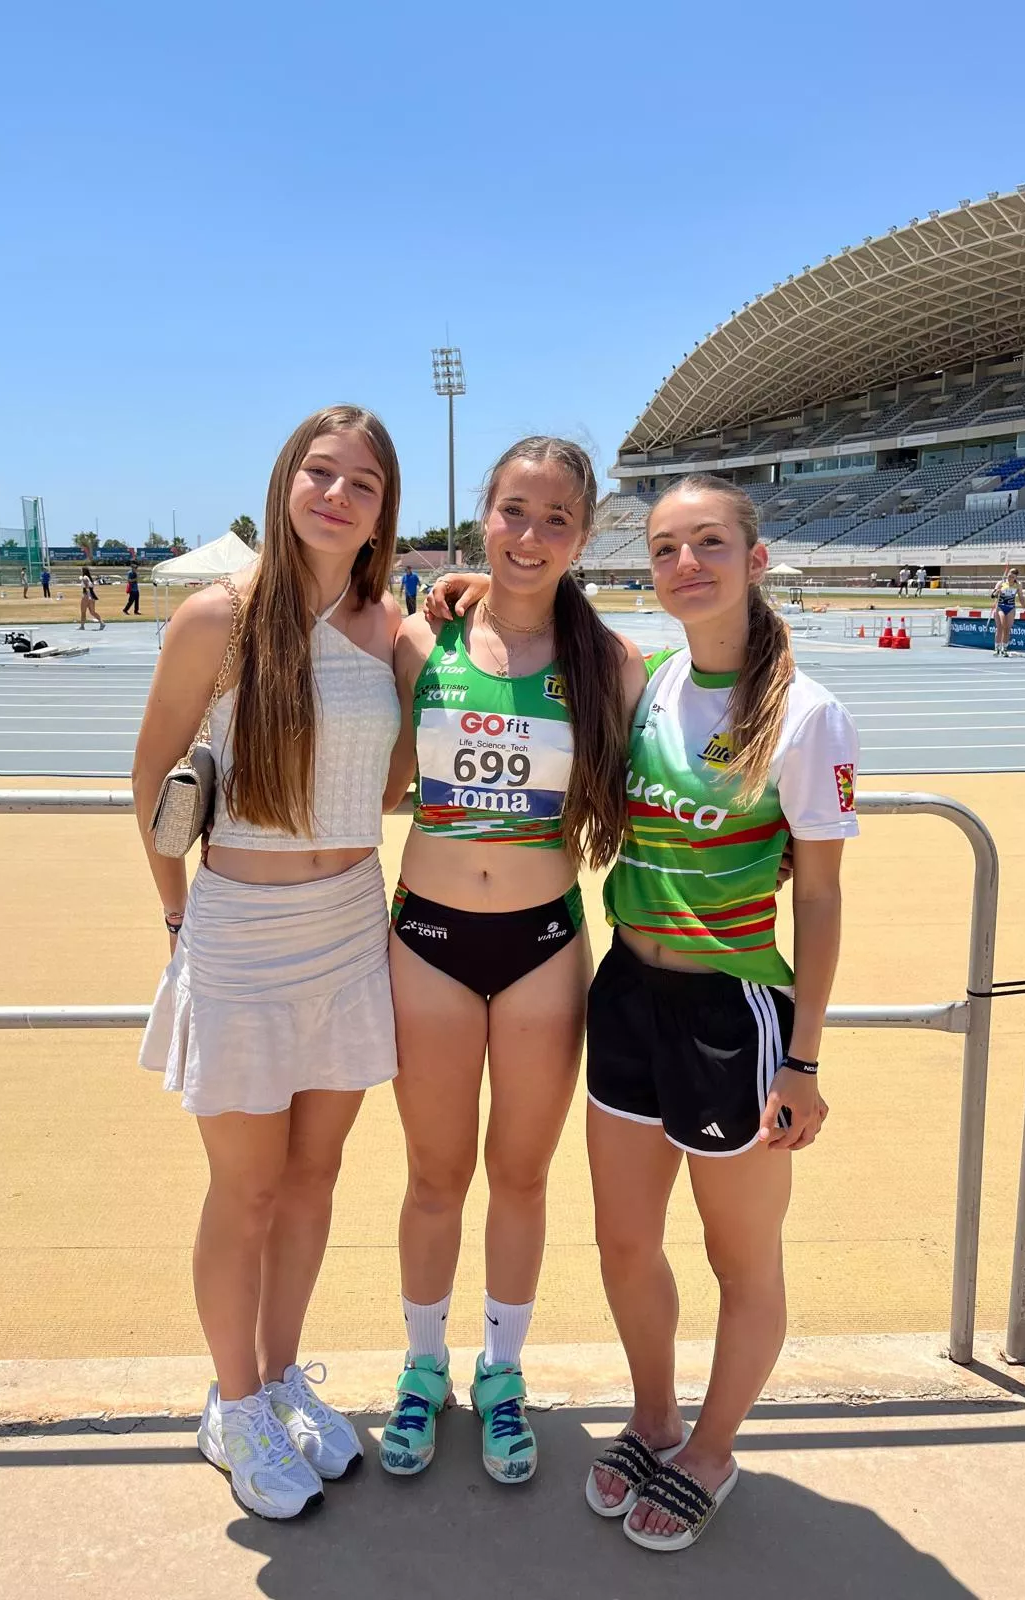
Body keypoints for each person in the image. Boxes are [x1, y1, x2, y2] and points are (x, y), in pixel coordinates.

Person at [133, 405, 403, 1520]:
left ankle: (282, 1376)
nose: (336, 495)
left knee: (313, 1179)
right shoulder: (219, 617)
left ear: (383, 512)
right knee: (244, 1189)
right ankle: (233, 1402)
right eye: (319, 472)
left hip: (350, 922)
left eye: (362, 483)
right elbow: (151, 784)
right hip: (242, 930)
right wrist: (178, 921)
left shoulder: (390, 627)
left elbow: (397, 776)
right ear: (285, 482)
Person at [579, 475, 858, 1553]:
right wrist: (457, 587)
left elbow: (820, 898)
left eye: (708, 543)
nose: (685, 563)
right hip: (625, 993)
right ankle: (653, 1420)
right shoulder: (650, 681)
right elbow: (541, 617)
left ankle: (711, 1448)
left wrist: (804, 1060)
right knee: (622, 1240)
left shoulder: (805, 712)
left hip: (731, 1015)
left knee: (741, 1258)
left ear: (755, 558)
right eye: (665, 548)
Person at [378, 437, 646, 1485]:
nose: (531, 537)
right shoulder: (421, 638)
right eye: (514, 513)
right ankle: (421, 1366)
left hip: (542, 945)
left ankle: (501, 1373)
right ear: (483, 516)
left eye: (556, 519)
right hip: (430, 942)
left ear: (583, 535)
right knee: (434, 1173)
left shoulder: (611, 664)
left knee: (521, 1174)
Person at [990, 565, 1025, 657]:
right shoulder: (1001, 583)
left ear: (1015, 577)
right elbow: (992, 596)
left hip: (1011, 608)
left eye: (1012, 577)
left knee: (1007, 629)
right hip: (1000, 607)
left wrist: (1024, 608)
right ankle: (997, 648)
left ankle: (1004, 648)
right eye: (1009, 576)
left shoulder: (1018, 585)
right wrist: (997, 592)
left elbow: (1021, 596)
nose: (1010, 578)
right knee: (1000, 627)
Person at [79, 566, 105, 631]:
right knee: (92, 612)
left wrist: (88, 596)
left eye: (81, 570)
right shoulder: (89, 578)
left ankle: (82, 626)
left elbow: (87, 586)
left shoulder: (85, 577)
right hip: (92, 596)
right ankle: (101, 623)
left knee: (83, 611)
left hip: (86, 596)